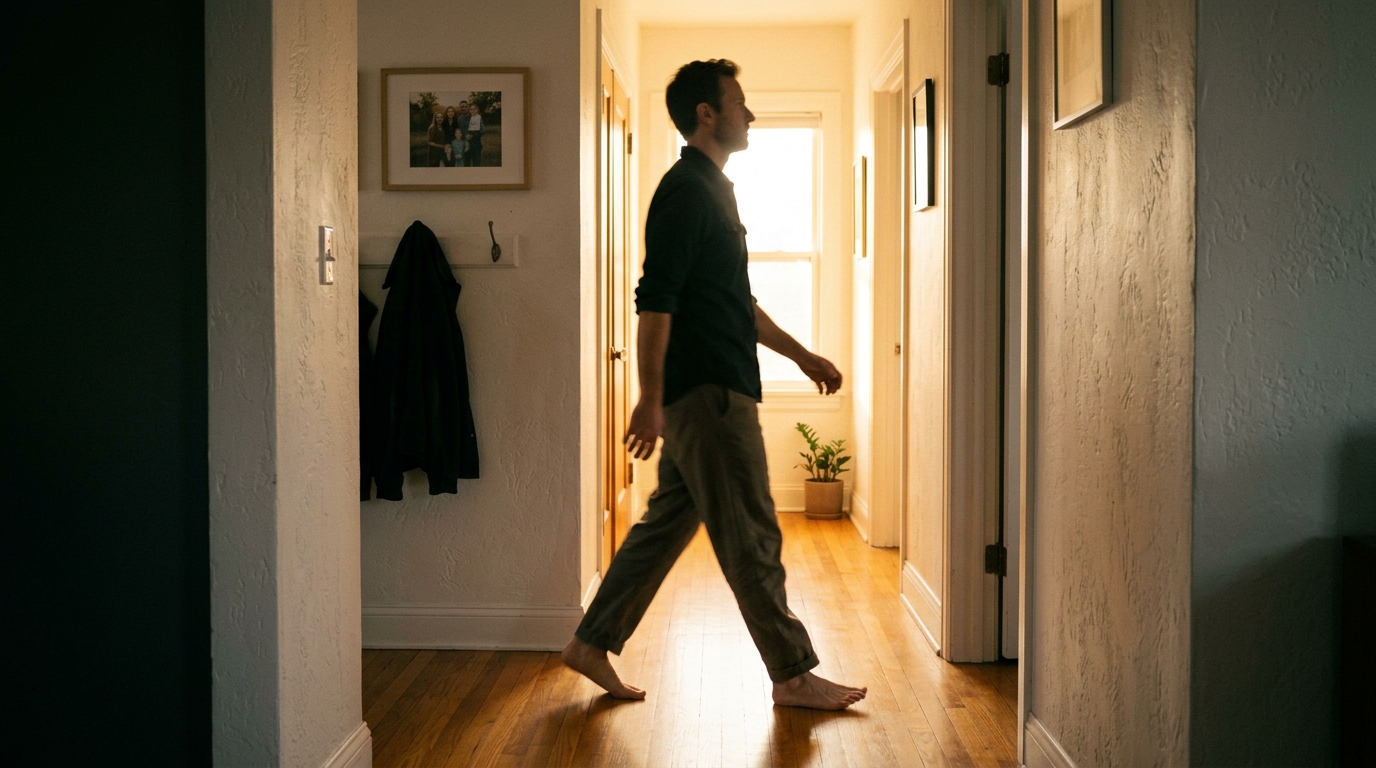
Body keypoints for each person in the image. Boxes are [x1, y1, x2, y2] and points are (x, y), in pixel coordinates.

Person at [561, 59, 867, 711]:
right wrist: (649, 398)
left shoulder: (713, 191)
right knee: (752, 533)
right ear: (707, 114)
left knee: (666, 524)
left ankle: (591, 642)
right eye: (738, 102)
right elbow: (656, 300)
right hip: (708, 394)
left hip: (715, 388)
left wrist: (803, 356)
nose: (748, 114)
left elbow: (736, 304)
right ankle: (792, 674)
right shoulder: (687, 192)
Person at [463, 102, 485, 167]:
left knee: (476, 163)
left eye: (474, 109)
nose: (472, 111)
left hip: (476, 143)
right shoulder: (469, 118)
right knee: (467, 163)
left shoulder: (479, 118)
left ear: (477, 110)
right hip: (468, 144)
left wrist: (473, 136)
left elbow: (483, 131)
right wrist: (467, 135)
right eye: (471, 109)